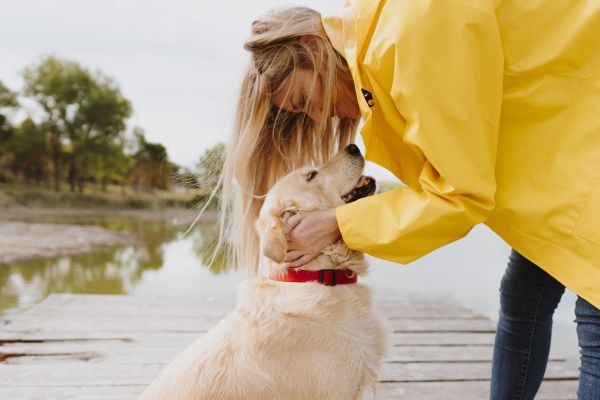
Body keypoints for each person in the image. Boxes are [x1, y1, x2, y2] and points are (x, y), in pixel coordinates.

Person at [218, 1, 600, 399]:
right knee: (522, 297)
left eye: (302, 100)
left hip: (585, 140)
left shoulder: (410, 38)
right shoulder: (384, 38)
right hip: (568, 151)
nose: (316, 118)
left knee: (595, 322)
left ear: (311, 46)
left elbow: (460, 194)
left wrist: (338, 222)